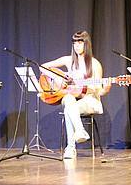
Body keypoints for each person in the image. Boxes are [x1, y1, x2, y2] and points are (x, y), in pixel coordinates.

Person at [40, 31, 110, 160]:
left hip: (90, 100)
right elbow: (43, 67)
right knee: (68, 98)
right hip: (73, 99)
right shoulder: (69, 60)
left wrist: (105, 89)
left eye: (80, 42)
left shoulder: (94, 64)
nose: (77, 46)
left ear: (86, 44)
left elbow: (99, 91)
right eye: (74, 43)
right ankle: (80, 131)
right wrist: (58, 78)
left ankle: (71, 148)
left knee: (69, 109)